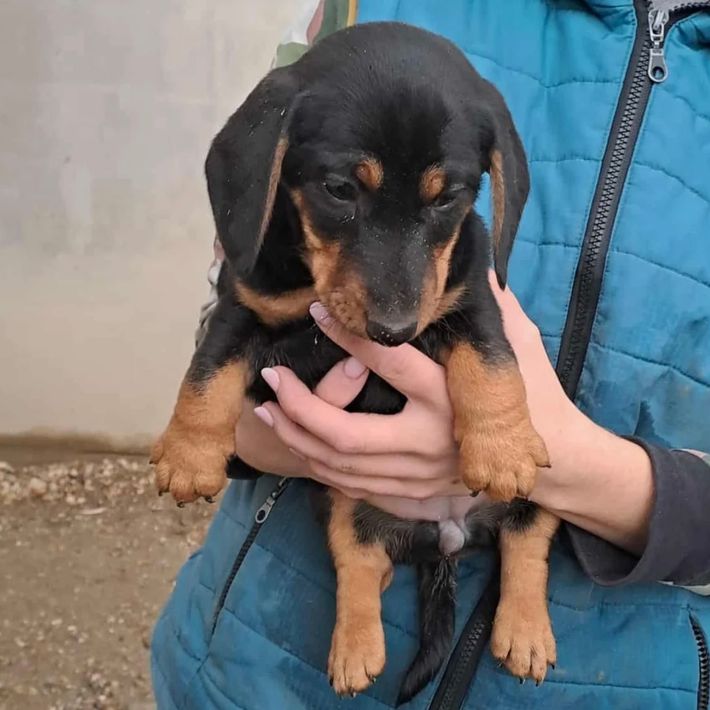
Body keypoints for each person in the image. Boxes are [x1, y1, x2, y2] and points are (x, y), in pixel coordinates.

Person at [151, 1, 710, 708]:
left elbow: (478, 340)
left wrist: (566, 462)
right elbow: (227, 314)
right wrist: (243, 432)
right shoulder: (355, 8)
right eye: (341, 192)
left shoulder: (458, 272)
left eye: (444, 205)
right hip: (263, 665)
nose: (394, 309)